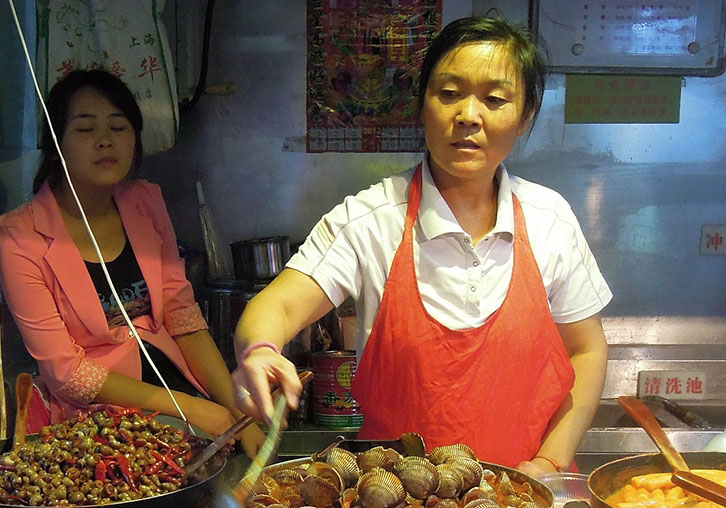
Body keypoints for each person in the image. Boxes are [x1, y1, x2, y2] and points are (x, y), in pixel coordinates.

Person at [231, 16, 611, 476]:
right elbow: (280, 307)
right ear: (422, 104)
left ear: (526, 115)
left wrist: (550, 461)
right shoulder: (371, 219)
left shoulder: (551, 219)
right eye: (449, 93)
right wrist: (260, 351)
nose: (468, 115)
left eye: (494, 99)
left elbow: (586, 352)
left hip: (527, 506)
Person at [0, 69, 262, 454]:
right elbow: (65, 372)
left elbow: (182, 316)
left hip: (180, 390)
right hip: (98, 423)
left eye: (119, 127)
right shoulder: (19, 236)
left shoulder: (145, 202)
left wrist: (238, 413)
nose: (105, 141)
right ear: (55, 142)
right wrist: (189, 409)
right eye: (85, 130)